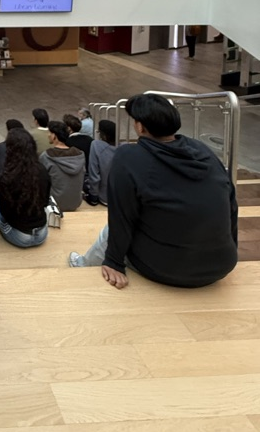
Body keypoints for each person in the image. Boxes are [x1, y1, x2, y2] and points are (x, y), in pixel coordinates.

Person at [70, 94, 238, 289]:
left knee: (108, 232)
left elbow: (121, 216)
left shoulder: (128, 156)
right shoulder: (203, 150)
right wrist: (231, 247)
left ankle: (81, 266)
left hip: (165, 268)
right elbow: (231, 203)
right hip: (222, 264)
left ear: (140, 126)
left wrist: (114, 261)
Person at [0, 128, 51, 248]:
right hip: (42, 233)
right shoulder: (42, 170)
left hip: (19, 235)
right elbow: (45, 202)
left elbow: (4, 211)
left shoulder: (7, 176)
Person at [39, 121, 85, 212]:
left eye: (49, 133)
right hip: (75, 202)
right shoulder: (80, 155)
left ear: (54, 136)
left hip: (54, 203)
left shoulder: (47, 156)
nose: (48, 135)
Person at [85, 119, 117, 206]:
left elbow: (94, 174)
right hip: (122, 197)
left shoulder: (96, 145)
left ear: (104, 135)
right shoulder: (125, 146)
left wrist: (93, 196)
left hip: (105, 197)